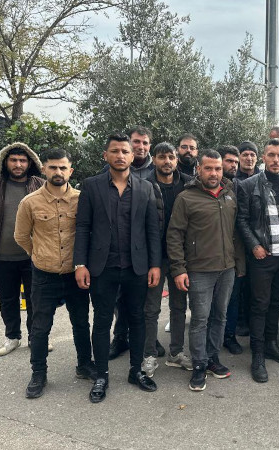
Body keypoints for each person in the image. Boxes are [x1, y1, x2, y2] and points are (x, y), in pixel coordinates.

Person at [74, 133, 161, 403]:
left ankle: (136, 371)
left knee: (137, 319)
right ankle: (101, 375)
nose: (120, 156)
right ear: (106, 155)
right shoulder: (91, 186)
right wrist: (80, 263)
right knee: (102, 321)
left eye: (125, 151)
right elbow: (83, 227)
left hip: (137, 266)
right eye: (115, 151)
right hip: (102, 266)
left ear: (132, 156)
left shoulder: (146, 188)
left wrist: (155, 265)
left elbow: (152, 230)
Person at [14, 148, 94, 398]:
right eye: (53, 167)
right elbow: (21, 236)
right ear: (44, 169)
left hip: (75, 273)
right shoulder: (30, 202)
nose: (58, 172)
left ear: (70, 171)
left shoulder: (82, 200)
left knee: (81, 323)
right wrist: (39, 254)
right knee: (40, 328)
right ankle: (39, 373)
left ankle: (84, 365)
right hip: (44, 275)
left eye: (62, 167)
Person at [168, 150, 237, 391]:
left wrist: (238, 264)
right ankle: (199, 364)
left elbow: (235, 233)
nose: (214, 173)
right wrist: (178, 269)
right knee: (199, 319)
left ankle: (212, 357)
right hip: (199, 270)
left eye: (217, 168)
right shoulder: (186, 198)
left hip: (227, 269)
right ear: (199, 169)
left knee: (220, 316)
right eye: (208, 168)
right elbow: (174, 235)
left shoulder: (229, 195)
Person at [236, 138, 279, 383]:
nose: (276, 160)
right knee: (259, 305)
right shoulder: (249, 185)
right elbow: (241, 220)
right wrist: (254, 246)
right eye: (271, 155)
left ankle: (271, 344)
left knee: (275, 303)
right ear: (264, 157)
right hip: (263, 256)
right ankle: (258, 355)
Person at [0, 142, 44, 357]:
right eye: (13, 160)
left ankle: (36, 337)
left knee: (36, 299)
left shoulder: (41, 185)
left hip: (33, 255)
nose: (18, 164)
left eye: (22, 160)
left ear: (30, 163)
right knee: (7, 299)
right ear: (5, 162)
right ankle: (12, 337)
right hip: (1, 255)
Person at [141, 142, 193, 378]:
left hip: (180, 256)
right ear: (154, 159)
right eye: (162, 157)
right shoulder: (144, 185)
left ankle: (176, 352)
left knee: (179, 306)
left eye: (171, 157)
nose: (167, 162)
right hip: (154, 256)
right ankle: (149, 354)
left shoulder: (188, 184)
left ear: (176, 159)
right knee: (151, 307)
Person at [106, 126, 156, 359]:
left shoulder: (156, 170)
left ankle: (148, 338)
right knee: (119, 299)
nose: (141, 147)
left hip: (146, 247)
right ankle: (120, 337)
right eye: (137, 142)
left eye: (145, 143)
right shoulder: (111, 171)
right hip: (117, 251)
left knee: (144, 301)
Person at [217, 145, 247, 354]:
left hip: (234, 253)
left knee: (232, 298)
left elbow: (241, 224)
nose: (233, 165)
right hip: (208, 255)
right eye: (229, 161)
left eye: (236, 162)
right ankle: (212, 339)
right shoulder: (199, 188)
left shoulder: (239, 188)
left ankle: (229, 336)